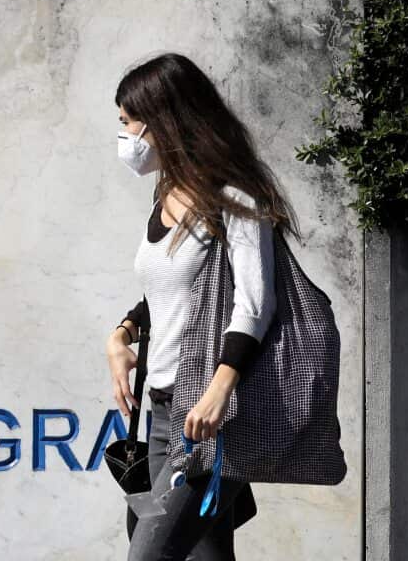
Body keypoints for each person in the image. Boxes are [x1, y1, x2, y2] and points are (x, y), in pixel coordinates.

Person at [104, 52, 303, 561]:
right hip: (163, 412)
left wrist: (220, 392)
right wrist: (122, 334)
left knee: (149, 556)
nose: (123, 136)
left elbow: (255, 304)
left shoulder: (235, 199)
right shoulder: (166, 194)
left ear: (162, 122)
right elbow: (169, 291)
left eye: (127, 122)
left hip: (213, 418)